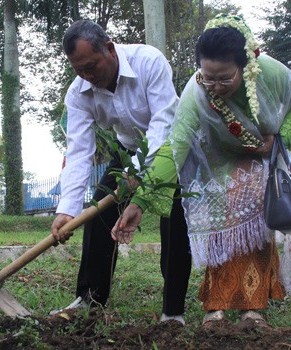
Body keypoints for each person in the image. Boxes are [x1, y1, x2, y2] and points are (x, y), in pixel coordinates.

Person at [113, 14, 289, 327]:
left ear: (245, 65)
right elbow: (174, 148)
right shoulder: (195, 95)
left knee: (254, 215)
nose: (216, 86)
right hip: (215, 162)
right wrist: (140, 201)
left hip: (262, 158)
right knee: (221, 224)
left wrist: (279, 137)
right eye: (209, 78)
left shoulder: (273, 74)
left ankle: (253, 309)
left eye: (225, 78)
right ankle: (216, 307)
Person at [50, 19, 191, 324]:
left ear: (110, 49)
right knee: (99, 212)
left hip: (172, 149)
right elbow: (78, 153)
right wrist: (68, 210)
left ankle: (173, 310)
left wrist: (139, 175)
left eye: (92, 66)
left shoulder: (149, 61)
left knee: (174, 221)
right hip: (127, 152)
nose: (88, 76)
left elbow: (162, 126)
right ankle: (90, 298)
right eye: (79, 70)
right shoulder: (78, 94)